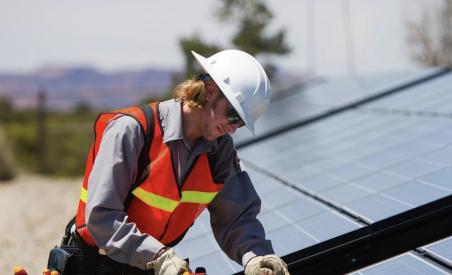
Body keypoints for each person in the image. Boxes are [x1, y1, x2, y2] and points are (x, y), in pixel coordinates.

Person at [59, 49, 290, 275]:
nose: (232, 128)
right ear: (209, 90)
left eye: (239, 123)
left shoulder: (219, 151)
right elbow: (102, 216)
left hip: (148, 265)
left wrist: (256, 257)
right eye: (233, 115)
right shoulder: (133, 131)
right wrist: (157, 256)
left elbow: (236, 218)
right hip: (92, 262)